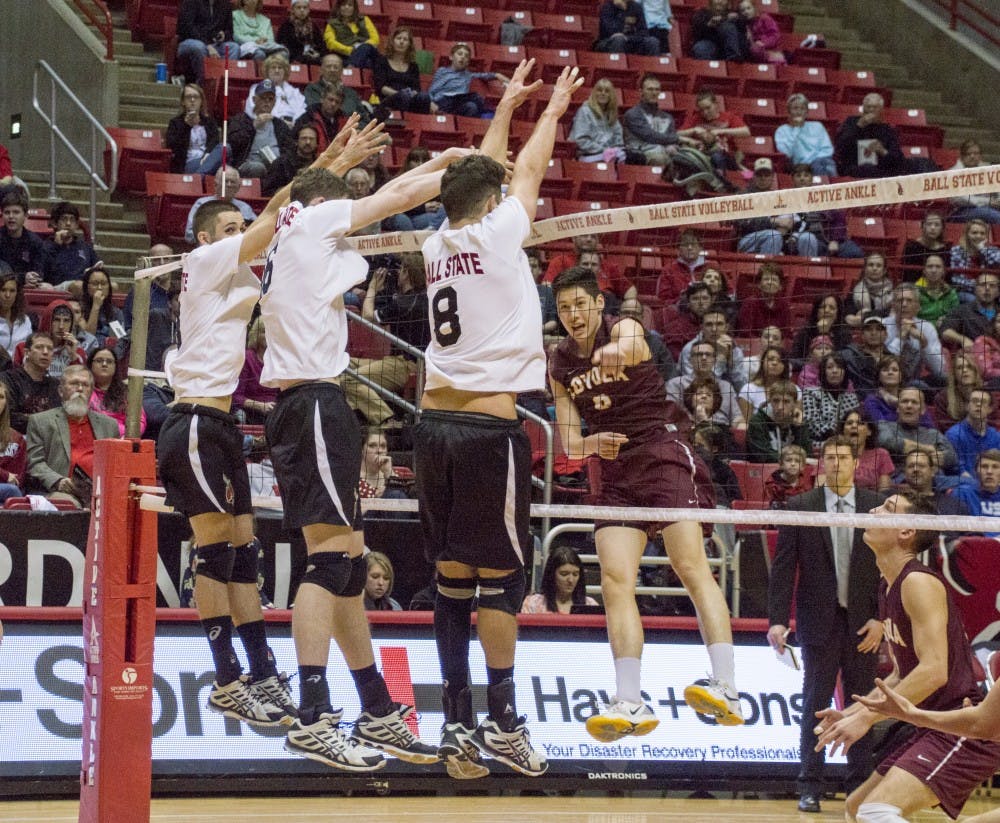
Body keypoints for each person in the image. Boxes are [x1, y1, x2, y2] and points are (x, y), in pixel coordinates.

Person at [158, 118, 386, 735]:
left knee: (241, 550)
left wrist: (329, 161)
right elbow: (275, 221)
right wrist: (325, 175)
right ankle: (230, 677)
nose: (241, 234)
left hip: (219, 420)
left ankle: (258, 674)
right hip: (194, 420)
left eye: (238, 227)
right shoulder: (206, 260)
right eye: (228, 227)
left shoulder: (235, 270)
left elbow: (281, 214)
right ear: (206, 236)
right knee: (213, 549)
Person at [258, 113, 462, 768]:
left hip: (318, 402)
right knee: (328, 563)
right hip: (313, 401)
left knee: (347, 562)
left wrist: (343, 163)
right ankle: (313, 709)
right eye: (341, 194)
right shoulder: (313, 219)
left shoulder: (291, 227)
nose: (353, 210)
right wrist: (453, 168)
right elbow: (395, 198)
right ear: (325, 202)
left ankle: (375, 708)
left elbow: (318, 195)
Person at [413, 61, 579, 780]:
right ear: (491, 203)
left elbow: (481, 174)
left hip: (432, 427)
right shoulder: (496, 231)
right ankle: (506, 721)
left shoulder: (434, 243)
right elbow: (530, 167)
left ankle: (456, 725)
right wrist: (551, 110)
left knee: (453, 577)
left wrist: (507, 103)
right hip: (486, 433)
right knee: (502, 580)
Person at [550, 265, 744, 739]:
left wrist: (615, 353)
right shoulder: (558, 362)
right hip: (613, 471)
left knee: (690, 565)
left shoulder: (624, 327)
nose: (573, 314)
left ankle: (727, 686)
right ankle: (630, 700)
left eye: (580, 304)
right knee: (615, 582)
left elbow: (634, 344)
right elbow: (571, 444)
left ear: (599, 304)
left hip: (660, 452)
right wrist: (596, 446)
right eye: (563, 308)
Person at [813, 491, 1000, 823]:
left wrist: (865, 720)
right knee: (857, 808)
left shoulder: (917, 582)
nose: (873, 509)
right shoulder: (889, 585)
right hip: (929, 724)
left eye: (887, 508)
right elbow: (901, 674)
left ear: (906, 531)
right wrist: (851, 713)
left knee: (876, 811)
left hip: (960, 726)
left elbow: (934, 671)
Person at [767, 435, 884, 814]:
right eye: (829, 458)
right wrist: (777, 621)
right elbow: (784, 568)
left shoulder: (873, 508)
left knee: (862, 703)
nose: (835, 463)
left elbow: (889, 570)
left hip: (863, 622)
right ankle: (810, 785)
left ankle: (861, 788)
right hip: (819, 620)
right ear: (820, 465)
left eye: (842, 457)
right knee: (815, 704)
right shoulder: (802, 506)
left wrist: (883, 619)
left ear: (856, 464)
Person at [344, 253, 429, 426]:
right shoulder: (424, 297)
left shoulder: (404, 303)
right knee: (342, 364)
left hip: (406, 364)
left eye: (400, 271)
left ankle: (387, 418)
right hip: (405, 361)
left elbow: (367, 317)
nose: (397, 274)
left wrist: (373, 288)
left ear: (406, 273)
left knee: (349, 379)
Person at [25, 365, 119, 507]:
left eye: (85, 385)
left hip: (100, 491)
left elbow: (115, 464)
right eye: (74, 383)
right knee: (69, 504)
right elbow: (35, 463)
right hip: (62, 491)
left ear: (91, 391)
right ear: (61, 391)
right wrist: (58, 481)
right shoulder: (40, 422)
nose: (80, 389)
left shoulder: (109, 425)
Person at [667, 339, 746, 431]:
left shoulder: (726, 386)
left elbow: (737, 418)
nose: (704, 358)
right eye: (698, 355)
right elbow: (670, 415)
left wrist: (741, 425)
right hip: (689, 430)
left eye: (708, 355)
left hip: (721, 432)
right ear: (690, 359)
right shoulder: (675, 384)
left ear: (714, 360)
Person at [877, 386, 958, 474]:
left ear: (922, 410)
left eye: (914, 402)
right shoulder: (884, 426)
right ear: (897, 408)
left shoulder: (933, 434)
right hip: (900, 479)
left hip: (934, 480)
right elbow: (886, 441)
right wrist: (927, 450)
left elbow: (952, 457)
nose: (909, 406)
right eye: (904, 401)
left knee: (967, 482)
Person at [229, 80, 293, 179]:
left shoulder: (280, 125)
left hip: (274, 167)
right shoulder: (241, 120)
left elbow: (288, 149)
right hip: (248, 164)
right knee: (258, 168)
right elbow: (234, 145)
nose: (267, 102)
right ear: (254, 100)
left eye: (270, 99)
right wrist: (253, 127)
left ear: (274, 102)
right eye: (263, 98)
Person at [883, 282, 945, 385]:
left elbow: (939, 369)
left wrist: (924, 343)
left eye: (909, 300)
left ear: (918, 306)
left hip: (914, 385)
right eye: (900, 300)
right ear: (893, 305)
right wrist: (901, 337)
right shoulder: (882, 325)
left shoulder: (927, 327)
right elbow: (885, 365)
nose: (904, 304)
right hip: (885, 382)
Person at [678, 90, 750, 177]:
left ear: (716, 104)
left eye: (708, 108)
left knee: (717, 157)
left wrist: (721, 131)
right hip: (703, 155)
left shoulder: (728, 117)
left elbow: (746, 131)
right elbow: (676, 135)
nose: (705, 112)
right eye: (701, 110)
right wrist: (693, 130)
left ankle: (723, 182)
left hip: (726, 156)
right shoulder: (695, 119)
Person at [833, 93, 906, 179]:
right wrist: (859, 126)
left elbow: (898, 158)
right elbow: (840, 146)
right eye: (868, 107)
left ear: (881, 110)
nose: (871, 110)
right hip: (853, 167)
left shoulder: (887, 130)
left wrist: (882, 151)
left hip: (879, 170)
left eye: (875, 107)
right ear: (863, 108)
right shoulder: (851, 122)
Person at [1, 332, 62, 433]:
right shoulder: (8, 379)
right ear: (27, 353)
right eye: (39, 347)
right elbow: (9, 416)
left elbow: (58, 417)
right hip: (16, 439)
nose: (45, 352)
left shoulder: (55, 384)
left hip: (47, 439)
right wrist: (44, 420)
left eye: (50, 349)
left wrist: (28, 417)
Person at [185, 167, 258, 245]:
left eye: (232, 182)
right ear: (216, 184)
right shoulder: (202, 204)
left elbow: (258, 231)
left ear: (238, 187)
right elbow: (189, 235)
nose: (229, 185)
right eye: (225, 181)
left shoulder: (245, 208)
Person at [802, 353, 860, 451]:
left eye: (839, 367)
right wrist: (834, 436)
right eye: (829, 367)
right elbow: (811, 422)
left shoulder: (852, 398)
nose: (835, 371)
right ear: (823, 372)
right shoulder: (811, 393)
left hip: (847, 444)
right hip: (818, 444)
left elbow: (855, 424)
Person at [828, 408, 894, 493]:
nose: (854, 426)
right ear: (843, 431)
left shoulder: (881, 455)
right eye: (849, 423)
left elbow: (885, 493)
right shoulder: (831, 453)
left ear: (869, 431)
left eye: (860, 423)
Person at [678, 309, 746, 390]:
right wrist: (721, 359)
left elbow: (741, 388)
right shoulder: (690, 350)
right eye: (709, 324)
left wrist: (732, 361)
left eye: (719, 324)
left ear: (726, 327)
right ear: (702, 327)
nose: (714, 329)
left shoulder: (735, 350)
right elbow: (697, 386)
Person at [372, 26, 435, 114]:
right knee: (404, 95)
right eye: (398, 38)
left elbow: (416, 89)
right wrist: (399, 94)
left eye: (405, 40)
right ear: (392, 41)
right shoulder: (382, 61)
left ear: (409, 44)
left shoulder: (413, 66)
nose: (401, 42)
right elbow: (381, 87)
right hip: (389, 98)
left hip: (409, 98)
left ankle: (420, 124)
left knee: (424, 97)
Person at [176, 0, 239, 86]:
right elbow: (188, 28)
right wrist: (207, 45)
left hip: (215, 44)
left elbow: (230, 31)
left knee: (234, 47)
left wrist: (224, 35)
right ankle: (204, 84)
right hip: (189, 41)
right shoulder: (190, 2)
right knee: (199, 47)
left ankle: (224, 83)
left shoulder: (225, 4)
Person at [165, 84, 224, 176]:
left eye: (196, 97)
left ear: (201, 101)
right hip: (188, 163)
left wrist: (207, 155)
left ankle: (199, 175)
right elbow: (173, 147)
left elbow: (214, 143)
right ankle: (201, 174)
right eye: (188, 97)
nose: (192, 100)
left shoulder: (210, 122)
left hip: (207, 158)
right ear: (183, 102)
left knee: (225, 148)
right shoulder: (175, 123)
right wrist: (187, 126)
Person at [746, 379, 810, 463]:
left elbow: (807, 454)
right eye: (776, 401)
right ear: (770, 402)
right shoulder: (757, 422)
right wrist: (793, 459)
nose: (780, 407)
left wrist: (799, 427)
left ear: (795, 403)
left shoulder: (798, 420)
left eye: (786, 402)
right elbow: (764, 456)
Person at [521, 546, 598, 615]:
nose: (571, 580)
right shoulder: (532, 604)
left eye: (575, 574)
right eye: (564, 574)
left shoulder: (591, 606)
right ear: (551, 575)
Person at [622, 74, 679, 166]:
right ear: (641, 92)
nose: (654, 93)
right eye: (650, 89)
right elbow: (650, 136)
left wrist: (672, 146)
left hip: (664, 153)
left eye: (657, 89)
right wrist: (679, 138)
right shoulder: (633, 114)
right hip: (640, 154)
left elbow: (672, 140)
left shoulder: (667, 117)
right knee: (660, 159)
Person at [88, 346, 144, 437]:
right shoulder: (83, 390)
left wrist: (124, 436)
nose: (104, 364)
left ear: (115, 367)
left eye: (109, 361)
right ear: (91, 364)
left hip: (122, 440)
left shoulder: (126, 393)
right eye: (99, 360)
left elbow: (139, 421)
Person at [775, 94, 836, 177]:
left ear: (807, 112)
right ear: (789, 111)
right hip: (799, 166)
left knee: (827, 166)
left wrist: (813, 161)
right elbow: (787, 153)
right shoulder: (782, 130)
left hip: (820, 162)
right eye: (795, 108)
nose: (799, 112)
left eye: (802, 109)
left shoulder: (817, 126)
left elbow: (827, 150)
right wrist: (796, 129)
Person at [946, 388, 1000, 480]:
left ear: (990, 409)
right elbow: (957, 469)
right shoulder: (954, 434)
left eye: (983, 402)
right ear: (967, 406)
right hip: (966, 487)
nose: (978, 404)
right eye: (974, 401)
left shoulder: (996, 436)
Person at [940, 271, 1000, 352]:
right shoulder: (962, 310)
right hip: (971, 357)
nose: (987, 288)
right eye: (983, 285)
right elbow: (945, 331)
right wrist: (963, 339)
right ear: (975, 289)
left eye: (992, 286)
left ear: (998, 292)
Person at [568, 79, 626, 163]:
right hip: (588, 154)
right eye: (599, 90)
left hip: (610, 154)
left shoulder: (612, 114)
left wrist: (614, 149)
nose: (603, 93)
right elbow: (580, 140)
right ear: (594, 93)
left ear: (611, 95)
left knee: (629, 157)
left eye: (607, 91)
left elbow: (618, 139)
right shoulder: (584, 111)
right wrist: (604, 150)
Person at [42, 201, 98, 289]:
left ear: (76, 225)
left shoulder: (85, 247)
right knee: (78, 286)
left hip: (84, 287)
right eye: (64, 219)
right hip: (57, 288)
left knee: (113, 286)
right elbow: (43, 273)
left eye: (72, 220)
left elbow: (98, 267)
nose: (68, 223)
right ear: (54, 223)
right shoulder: (45, 246)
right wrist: (56, 246)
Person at [233, 316, 276, 425]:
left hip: (276, 411)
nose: (268, 335)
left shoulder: (278, 359)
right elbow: (236, 396)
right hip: (251, 412)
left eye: (272, 331)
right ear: (256, 334)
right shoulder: (247, 358)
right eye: (264, 331)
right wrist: (260, 406)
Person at [0, 191, 48, 287]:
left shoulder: (35, 242)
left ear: (25, 215)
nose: (11, 217)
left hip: (28, 287)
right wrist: (22, 278)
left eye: (16, 212)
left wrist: (32, 279)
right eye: (7, 212)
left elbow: (39, 272)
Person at [244, 53, 307, 125]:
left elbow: (302, 112)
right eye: (273, 67)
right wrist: (280, 123)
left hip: (293, 127)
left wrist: (294, 124)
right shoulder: (256, 89)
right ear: (267, 71)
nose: (277, 70)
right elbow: (252, 112)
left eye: (280, 68)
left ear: (285, 71)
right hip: (268, 126)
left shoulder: (295, 92)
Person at [737, 345, 795, 422]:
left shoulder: (794, 389)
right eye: (770, 359)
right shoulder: (748, 389)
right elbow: (749, 423)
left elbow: (796, 418)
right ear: (762, 362)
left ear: (785, 366)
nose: (774, 363)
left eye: (780, 360)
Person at [948, 139, 1000, 225]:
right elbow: (960, 199)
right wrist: (988, 201)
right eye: (968, 154)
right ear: (962, 156)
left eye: (976, 153)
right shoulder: (953, 173)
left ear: (980, 156)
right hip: (961, 211)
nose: (972, 156)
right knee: (995, 216)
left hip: (987, 208)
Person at [80, 265, 125, 357]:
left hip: (108, 356)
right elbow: (88, 338)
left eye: (104, 283)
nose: (100, 288)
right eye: (95, 284)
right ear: (86, 287)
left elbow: (118, 340)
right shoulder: (79, 309)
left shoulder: (115, 312)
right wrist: (96, 306)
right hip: (87, 354)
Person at [950, 218, 1000, 302]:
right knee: (974, 301)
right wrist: (979, 287)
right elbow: (956, 280)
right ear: (967, 234)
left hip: (989, 291)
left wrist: (982, 250)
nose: (978, 236)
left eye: (982, 233)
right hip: (966, 291)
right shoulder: (956, 251)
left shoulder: (992, 250)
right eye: (974, 233)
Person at [304, 53, 367, 119]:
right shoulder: (312, 89)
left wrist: (359, 128)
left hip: (353, 128)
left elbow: (364, 118)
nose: (332, 70)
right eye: (328, 66)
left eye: (336, 67)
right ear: (321, 70)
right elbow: (315, 113)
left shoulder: (351, 93)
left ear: (342, 71)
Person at [736, 262, 790, 338]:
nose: (770, 282)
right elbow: (745, 332)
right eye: (766, 279)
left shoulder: (784, 304)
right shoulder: (749, 303)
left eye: (774, 280)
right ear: (759, 284)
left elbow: (786, 333)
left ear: (780, 286)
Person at [262, 124, 319, 196]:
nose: (308, 142)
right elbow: (267, 191)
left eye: (312, 139)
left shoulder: (320, 164)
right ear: (296, 141)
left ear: (317, 143)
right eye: (304, 138)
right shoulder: (281, 164)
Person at [324, 0, 380, 70]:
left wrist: (361, 48)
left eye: (350, 5)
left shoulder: (364, 19)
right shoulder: (332, 24)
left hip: (369, 52)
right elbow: (331, 43)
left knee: (366, 47)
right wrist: (350, 50)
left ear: (354, 8)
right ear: (338, 7)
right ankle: (353, 69)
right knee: (368, 64)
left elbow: (375, 39)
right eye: (343, 5)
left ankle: (351, 68)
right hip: (347, 55)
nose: (346, 7)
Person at [655, 229, 707, 304]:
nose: (689, 247)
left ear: (700, 248)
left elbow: (728, 291)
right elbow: (663, 300)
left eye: (693, 244)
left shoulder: (712, 267)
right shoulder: (668, 270)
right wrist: (681, 301)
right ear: (679, 249)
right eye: (685, 245)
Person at [359, 427, 408, 504]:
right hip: (367, 514)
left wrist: (390, 473)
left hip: (399, 514)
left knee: (396, 495)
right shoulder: (351, 480)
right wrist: (377, 501)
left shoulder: (402, 473)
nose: (379, 450)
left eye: (383, 446)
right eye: (372, 445)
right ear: (361, 449)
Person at [846, 253, 894, 328]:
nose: (874, 268)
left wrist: (866, 315)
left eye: (878, 265)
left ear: (884, 270)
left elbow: (892, 316)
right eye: (871, 265)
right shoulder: (855, 290)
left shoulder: (893, 292)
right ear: (865, 269)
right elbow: (848, 314)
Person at [595, 0, 660, 56]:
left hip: (630, 40)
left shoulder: (637, 7)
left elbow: (644, 32)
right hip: (608, 42)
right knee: (618, 39)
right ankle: (617, 69)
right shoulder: (608, 6)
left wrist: (628, 38)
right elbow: (608, 31)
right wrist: (622, 13)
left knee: (653, 41)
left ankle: (651, 69)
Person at [293, 85, 345, 154]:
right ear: (322, 99)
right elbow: (294, 142)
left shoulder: (344, 121)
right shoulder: (307, 118)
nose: (333, 104)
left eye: (337, 102)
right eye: (330, 99)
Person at [276, 0, 325, 65]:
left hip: (312, 56)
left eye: (305, 8)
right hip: (293, 57)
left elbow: (320, 44)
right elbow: (282, 45)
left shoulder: (313, 25)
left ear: (308, 10)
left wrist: (317, 53)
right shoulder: (286, 25)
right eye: (298, 8)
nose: (302, 10)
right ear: (293, 10)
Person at [0, 380, 26, 502]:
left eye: (1, 397)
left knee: (13, 492)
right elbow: (9, 478)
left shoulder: (16, 438)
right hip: (7, 490)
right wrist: (5, 475)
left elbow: (17, 479)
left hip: (7, 492)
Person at [915, 254, 958, 327]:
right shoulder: (914, 291)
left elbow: (956, 316)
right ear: (924, 271)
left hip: (944, 332)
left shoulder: (951, 293)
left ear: (944, 271)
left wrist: (946, 318)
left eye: (938, 267)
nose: (933, 270)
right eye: (930, 266)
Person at [763, 443, 812, 508]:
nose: (793, 464)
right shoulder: (772, 485)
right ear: (781, 464)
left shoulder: (806, 485)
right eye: (789, 460)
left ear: (803, 466)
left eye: (797, 461)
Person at [0, 271, 31, 360]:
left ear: (17, 294)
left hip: (20, 370)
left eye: (12, 291)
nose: (7, 295)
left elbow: (29, 351)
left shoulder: (25, 320)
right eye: (3, 290)